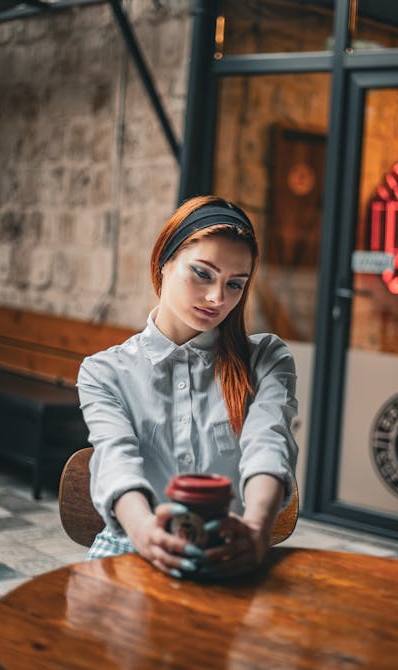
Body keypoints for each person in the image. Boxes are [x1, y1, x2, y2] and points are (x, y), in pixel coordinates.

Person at [77, 195, 298, 579]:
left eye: (235, 284)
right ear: (165, 261)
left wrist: (259, 532)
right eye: (202, 273)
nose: (218, 298)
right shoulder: (104, 372)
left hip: (227, 548)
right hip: (132, 547)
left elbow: (269, 445)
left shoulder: (266, 358)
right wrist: (146, 533)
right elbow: (116, 461)